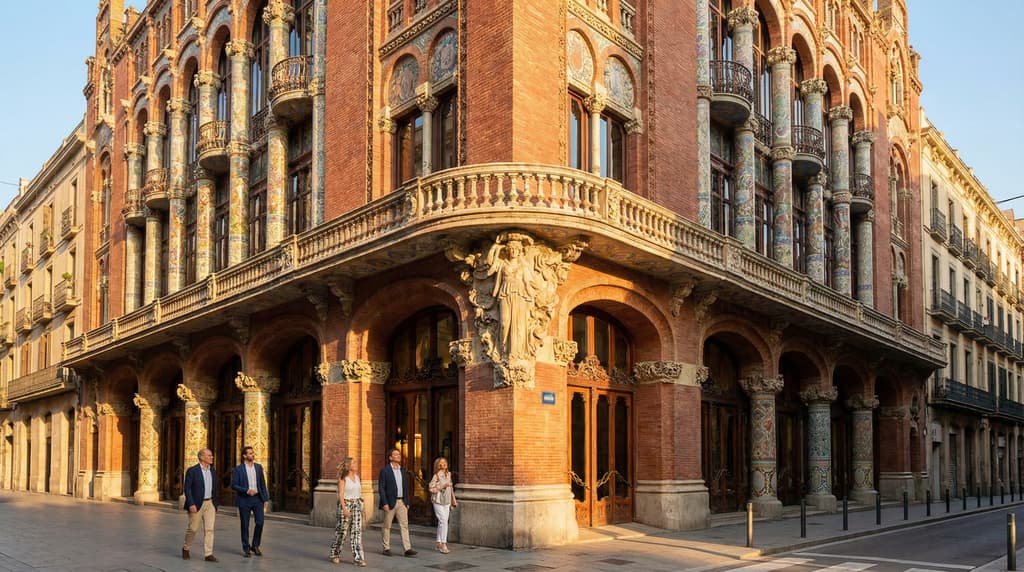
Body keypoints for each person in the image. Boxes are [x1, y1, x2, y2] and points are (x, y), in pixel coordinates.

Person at [230, 445, 270, 557]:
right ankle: (246, 548)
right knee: (245, 525)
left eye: (253, 453)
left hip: (257, 499)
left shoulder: (258, 467)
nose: (253, 455)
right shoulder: (238, 469)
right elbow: (234, 485)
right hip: (244, 499)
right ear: (244, 456)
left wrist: (265, 499)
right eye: (250, 453)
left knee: (260, 522)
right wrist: (247, 490)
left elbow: (262, 484)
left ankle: (255, 545)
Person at [377, 448, 417, 557]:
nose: (398, 456)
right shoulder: (385, 471)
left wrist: (407, 501)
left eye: (399, 454)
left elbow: (405, 487)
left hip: (402, 502)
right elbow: (381, 488)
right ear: (390, 457)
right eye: (395, 454)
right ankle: (386, 548)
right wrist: (384, 503)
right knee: (387, 526)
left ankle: (407, 549)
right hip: (389, 502)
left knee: (404, 525)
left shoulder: (402, 470)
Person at [182, 448, 218, 562]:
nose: (212, 457)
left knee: (209, 529)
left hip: (210, 503)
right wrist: (191, 503)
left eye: (211, 455)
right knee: (193, 529)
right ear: (202, 457)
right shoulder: (192, 471)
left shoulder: (212, 470)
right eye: (209, 455)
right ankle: (186, 548)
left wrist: (215, 503)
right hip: (196, 504)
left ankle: (208, 554)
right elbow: (187, 488)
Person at [330, 457, 366, 566]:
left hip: (356, 505)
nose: (356, 464)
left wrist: (360, 497)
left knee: (356, 532)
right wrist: (344, 509)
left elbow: (357, 490)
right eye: (353, 463)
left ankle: (358, 558)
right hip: (345, 504)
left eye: (355, 462)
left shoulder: (357, 477)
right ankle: (335, 554)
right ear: (348, 466)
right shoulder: (343, 478)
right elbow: (341, 494)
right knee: (342, 532)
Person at [428, 457, 457, 554]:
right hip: (438, 501)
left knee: (442, 522)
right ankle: (444, 544)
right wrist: (442, 486)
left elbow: (451, 489)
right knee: (444, 521)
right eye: (441, 463)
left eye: (445, 462)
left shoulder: (449, 474)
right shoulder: (436, 476)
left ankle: (438, 542)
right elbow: (431, 488)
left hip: (447, 501)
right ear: (438, 466)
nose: (443, 464)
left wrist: (453, 500)